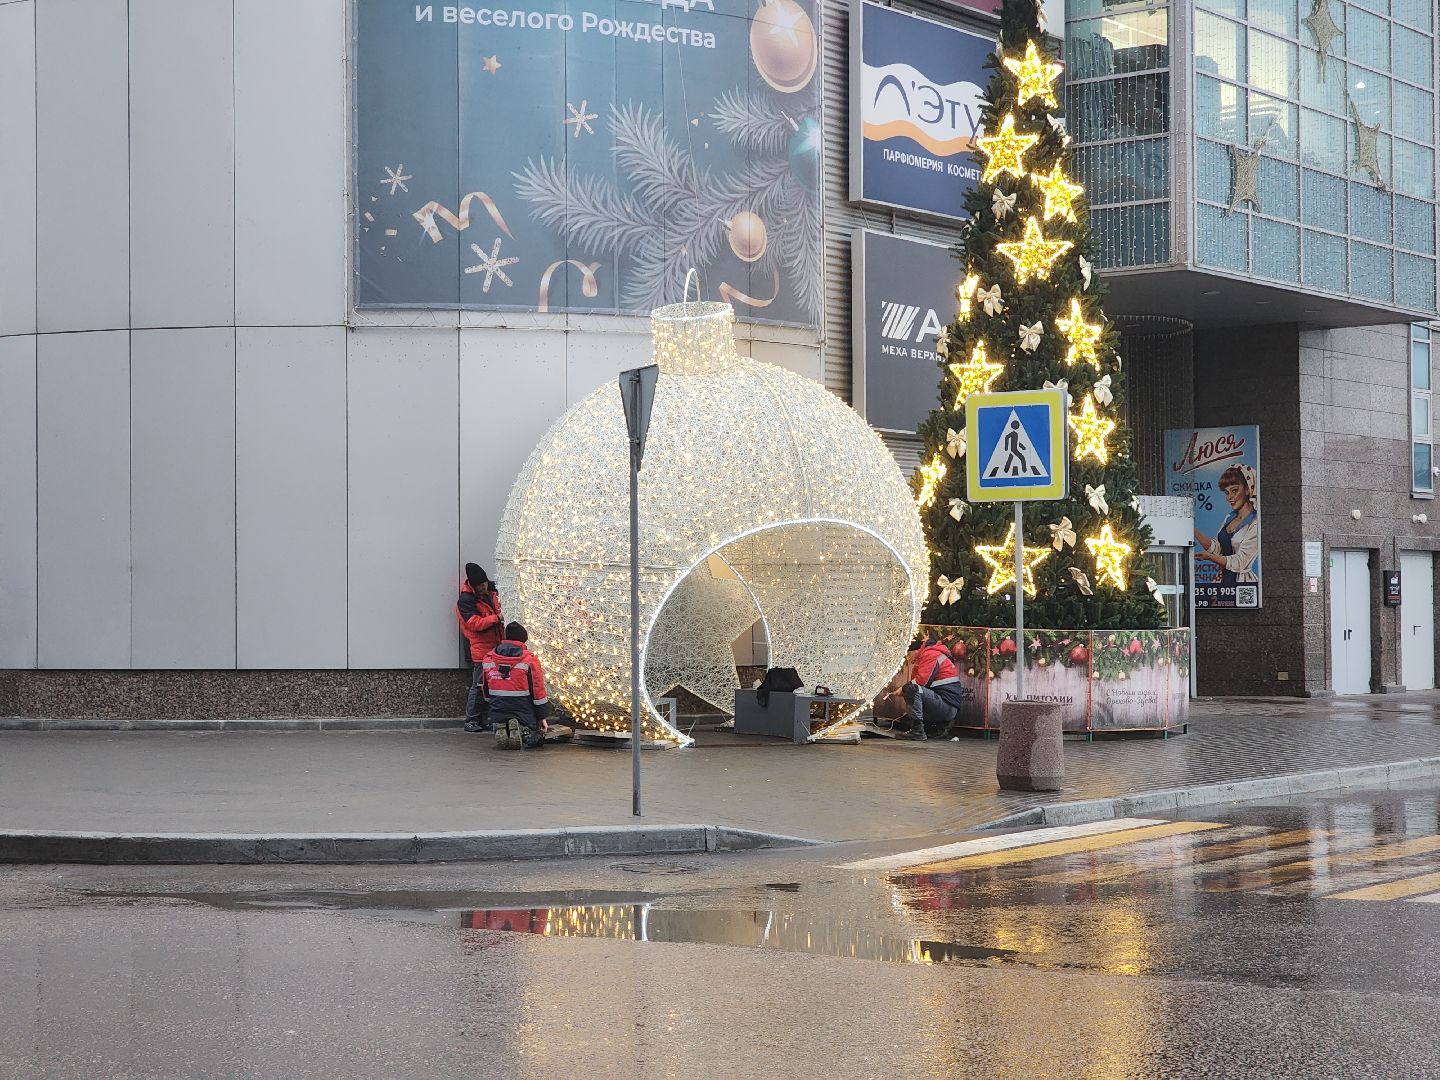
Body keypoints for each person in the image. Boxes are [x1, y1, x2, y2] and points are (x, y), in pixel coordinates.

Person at [482, 622, 552, 750]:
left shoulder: (489, 658)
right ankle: (525, 730)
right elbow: (537, 690)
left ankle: (501, 724)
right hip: (522, 705)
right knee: (537, 737)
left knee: (502, 714)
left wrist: (489, 702)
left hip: (497, 704)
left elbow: (485, 686)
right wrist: (542, 716)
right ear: (523, 639)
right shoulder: (529, 659)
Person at [1194, 464, 1259, 589]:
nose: (1230, 497)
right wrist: (1193, 530)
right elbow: (1218, 549)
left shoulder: (1255, 523)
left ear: (1247, 489)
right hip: (1223, 581)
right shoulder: (1229, 518)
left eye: (1235, 490)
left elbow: (1240, 562)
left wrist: (1209, 557)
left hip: (1243, 583)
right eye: (1227, 492)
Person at [457, 563, 503, 733]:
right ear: (473, 585)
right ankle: (471, 719)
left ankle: (487, 719)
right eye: (480, 585)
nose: (484, 587)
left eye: (484, 583)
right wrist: (496, 618)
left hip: (497, 648)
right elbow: (474, 624)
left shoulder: (493, 591)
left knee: (493, 686)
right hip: (481, 651)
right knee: (478, 686)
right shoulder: (466, 601)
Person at [901, 634, 968, 741]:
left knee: (911, 689)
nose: (907, 658)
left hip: (947, 706)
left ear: (915, 651)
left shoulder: (930, 655)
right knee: (910, 692)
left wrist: (901, 689)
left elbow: (920, 682)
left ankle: (917, 731)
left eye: (908, 655)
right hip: (945, 704)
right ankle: (931, 727)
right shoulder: (923, 659)